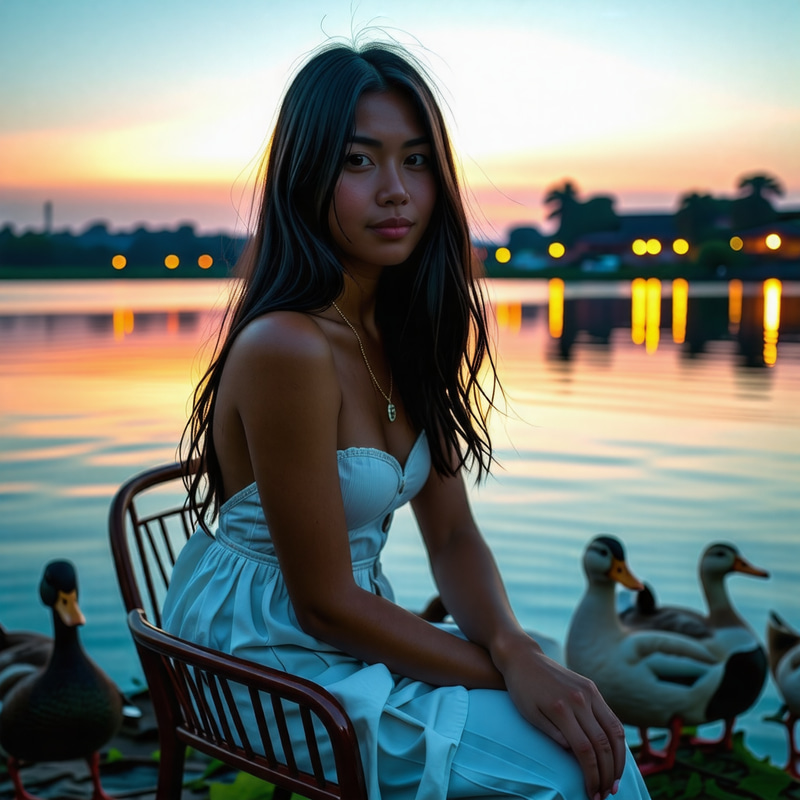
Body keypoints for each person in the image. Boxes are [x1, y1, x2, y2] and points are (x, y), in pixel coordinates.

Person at [162, 39, 651, 800]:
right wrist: (506, 668)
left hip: (356, 626)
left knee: (590, 745)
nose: (396, 191)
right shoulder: (286, 346)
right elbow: (322, 603)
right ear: (306, 174)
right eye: (360, 162)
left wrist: (513, 644)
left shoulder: (410, 329)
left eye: (416, 161)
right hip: (266, 653)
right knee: (572, 773)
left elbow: (452, 535)